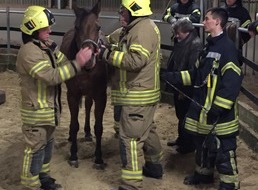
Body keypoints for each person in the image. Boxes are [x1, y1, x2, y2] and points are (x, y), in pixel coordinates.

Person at [161, 7, 242, 190]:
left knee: (224, 152)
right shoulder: (209, 46)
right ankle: (203, 175)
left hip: (220, 117)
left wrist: (218, 108)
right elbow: (196, 74)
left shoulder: (228, 50)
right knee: (203, 146)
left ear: (217, 22)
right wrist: (173, 77)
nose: (203, 22)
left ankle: (229, 185)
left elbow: (231, 84)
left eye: (207, 19)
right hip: (204, 113)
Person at [16, 5, 93, 190]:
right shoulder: (28, 52)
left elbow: (64, 63)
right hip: (36, 112)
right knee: (34, 150)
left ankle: (43, 178)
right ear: (33, 29)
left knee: (47, 148)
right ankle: (30, 185)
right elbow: (52, 77)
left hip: (48, 110)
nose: (50, 30)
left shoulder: (45, 47)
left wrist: (80, 60)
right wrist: (78, 63)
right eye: (45, 28)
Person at [99, 0, 163, 189]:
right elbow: (117, 39)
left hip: (137, 95)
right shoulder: (138, 27)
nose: (120, 14)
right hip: (145, 94)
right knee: (147, 130)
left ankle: (131, 184)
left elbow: (136, 60)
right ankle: (154, 166)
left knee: (131, 140)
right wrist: (104, 40)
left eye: (123, 11)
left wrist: (106, 55)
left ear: (134, 11)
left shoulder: (141, 30)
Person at [165, 18, 202, 154]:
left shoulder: (195, 45)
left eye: (178, 32)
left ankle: (188, 145)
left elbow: (193, 72)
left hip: (186, 89)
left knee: (187, 116)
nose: (176, 35)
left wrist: (183, 88)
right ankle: (181, 140)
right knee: (180, 115)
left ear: (186, 31)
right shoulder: (181, 42)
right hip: (178, 84)